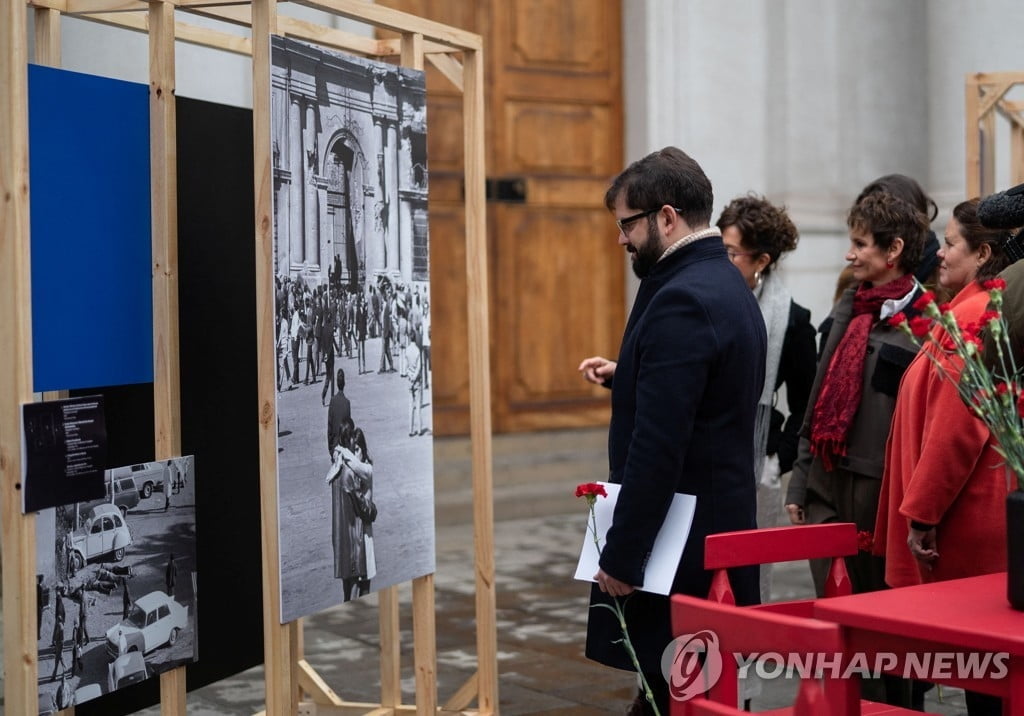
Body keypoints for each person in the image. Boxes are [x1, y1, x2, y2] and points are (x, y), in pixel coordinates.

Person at [578, 147, 767, 715]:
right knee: (685, 693)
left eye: (627, 225)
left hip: (683, 545)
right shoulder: (721, 281)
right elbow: (705, 391)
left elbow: (659, 445)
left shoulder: (682, 296)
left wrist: (623, 555)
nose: (621, 240)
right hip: (717, 525)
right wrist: (629, 375)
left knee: (678, 694)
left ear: (666, 217)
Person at [874, 199, 1015, 716]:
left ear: (983, 253)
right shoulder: (974, 309)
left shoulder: (974, 317)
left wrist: (922, 514)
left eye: (951, 242)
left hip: (968, 519)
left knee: (989, 677)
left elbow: (957, 429)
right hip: (981, 512)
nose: (939, 252)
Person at [717, 195, 817, 602]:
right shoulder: (709, 303)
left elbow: (806, 404)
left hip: (757, 460)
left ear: (761, 260)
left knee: (747, 563)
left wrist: (778, 457)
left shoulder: (793, 321)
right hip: (706, 451)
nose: (722, 262)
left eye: (731, 253)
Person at [327, 368, 352, 456]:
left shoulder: (332, 401)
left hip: (335, 446)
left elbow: (329, 427)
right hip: (345, 447)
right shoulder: (347, 402)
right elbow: (349, 427)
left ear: (337, 384)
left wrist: (331, 449)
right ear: (344, 383)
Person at [406, 327, 424, 436]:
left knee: (410, 405)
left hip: (409, 380)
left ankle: (410, 429)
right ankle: (419, 429)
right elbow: (419, 367)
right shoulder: (417, 351)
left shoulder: (408, 350)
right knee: (418, 405)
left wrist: (410, 375)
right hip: (417, 380)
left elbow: (407, 366)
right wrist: (415, 376)